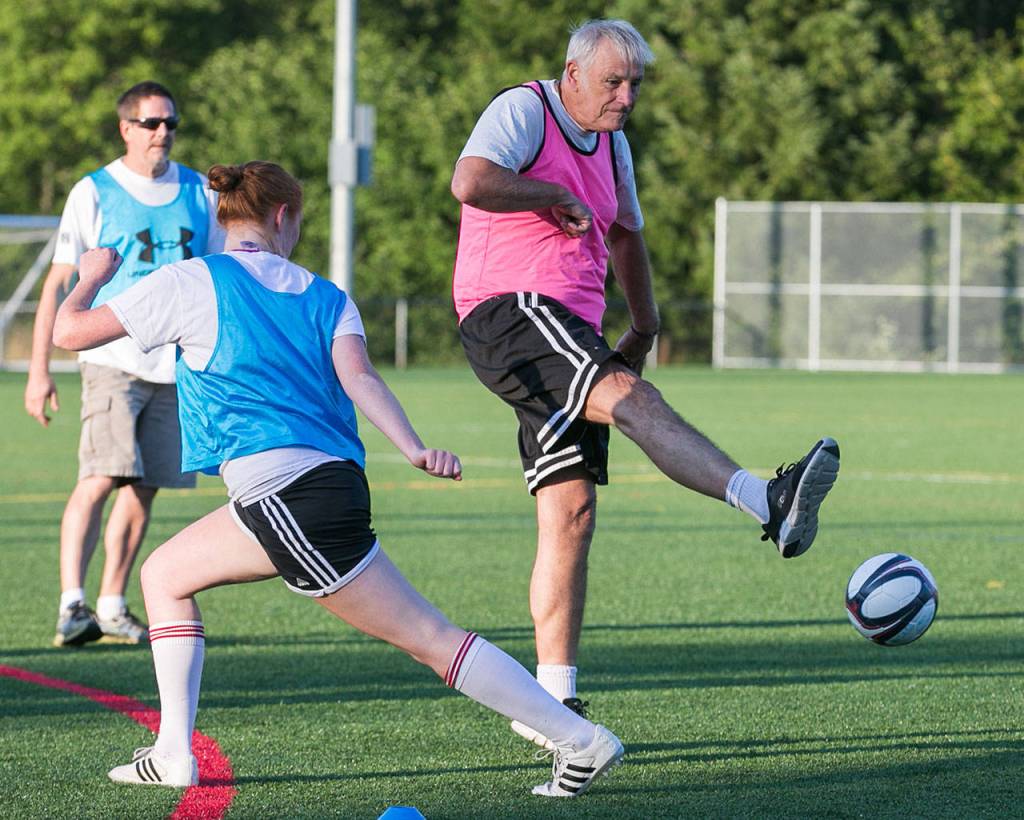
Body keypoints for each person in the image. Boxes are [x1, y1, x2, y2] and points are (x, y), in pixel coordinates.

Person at [52, 160, 623, 798]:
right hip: (323, 488)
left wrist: (89, 277)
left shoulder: (189, 280)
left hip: (285, 501)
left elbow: (68, 332)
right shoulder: (328, 295)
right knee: (164, 575)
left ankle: (580, 741)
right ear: (283, 216)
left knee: (430, 640)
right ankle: (174, 754)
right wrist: (412, 447)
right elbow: (361, 379)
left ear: (226, 216)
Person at [450, 18, 841, 748]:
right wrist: (544, 195)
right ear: (572, 74)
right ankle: (768, 498)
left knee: (570, 513)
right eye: (613, 82)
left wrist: (648, 323)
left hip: (569, 327)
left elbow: (625, 232)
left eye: (634, 84)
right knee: (632, 402)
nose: (626, 96)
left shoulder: (615, 145)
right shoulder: (525, 110)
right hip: (512, 313)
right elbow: (469, 181)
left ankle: (553, 710)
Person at [24, 81, 224, 647]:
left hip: (176, 365)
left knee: (146, 486)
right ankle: (72, 603)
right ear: (126, 129)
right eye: (152, 123)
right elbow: (58, 284)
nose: (163, 132)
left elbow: (217, 274)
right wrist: (40, 371)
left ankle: (111, 605)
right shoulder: (93, 191)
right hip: (110, 357)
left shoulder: (198, 191)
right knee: (102, 476)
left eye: (171, 123)